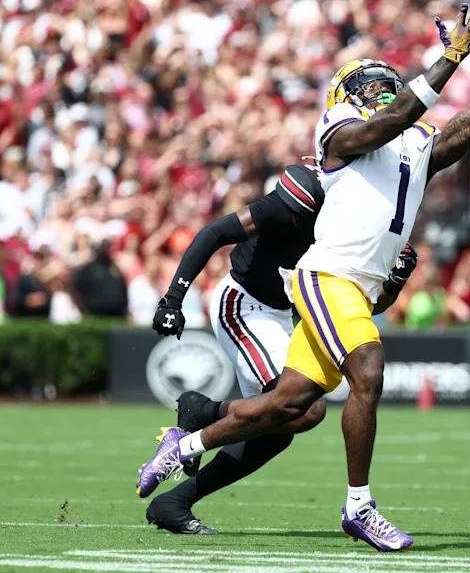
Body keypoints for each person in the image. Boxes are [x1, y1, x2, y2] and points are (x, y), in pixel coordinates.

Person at [136, 0, 470, 551]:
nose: (385, 89)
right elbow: (396, 116)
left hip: (355, 283)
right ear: (348, 97)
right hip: (327, 275)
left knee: (290, 407)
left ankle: (184, 447)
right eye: (374, 85)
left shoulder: (416, 146)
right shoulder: (339, 134)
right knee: (369, 371)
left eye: (389, 82)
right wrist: (450, 57)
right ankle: (360, 506)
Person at [143, 161, 419, 534]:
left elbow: (364, 302)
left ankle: (175, 500)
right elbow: (213, 233)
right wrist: (173, 299)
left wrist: (396, 281)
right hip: (243, 304)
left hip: (280, 314)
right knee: (304, 410)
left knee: (275, 428)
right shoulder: (297, 203)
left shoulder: (356, 222)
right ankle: (203, 411)